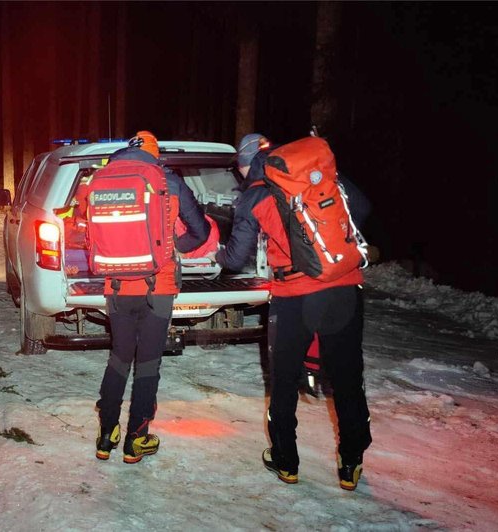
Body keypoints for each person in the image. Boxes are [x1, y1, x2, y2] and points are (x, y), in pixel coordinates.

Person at [214, 132, 372, 490]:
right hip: (344, 287)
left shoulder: (254, 195)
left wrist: (218, 255)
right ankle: (351, 462)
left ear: (243, 164)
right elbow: (361, 209)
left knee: (283, 380)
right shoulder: (316, 174)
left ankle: (286, 461)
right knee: (348, 379)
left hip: (293, 297)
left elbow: (236, 259)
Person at [76, 130, 210, 463]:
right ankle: (137, 439)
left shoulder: (98, 180)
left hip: (116, 286)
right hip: (158, 287)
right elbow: (200, 231)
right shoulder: (168, 181)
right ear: (154, 155)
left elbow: (83, 225)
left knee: (119, 357)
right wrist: (177, 247)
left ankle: (106, 435)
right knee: (148, 362)